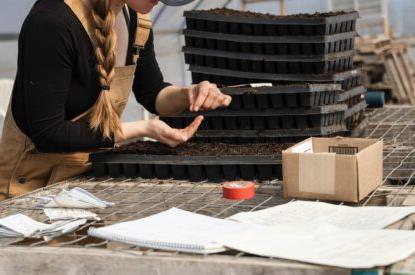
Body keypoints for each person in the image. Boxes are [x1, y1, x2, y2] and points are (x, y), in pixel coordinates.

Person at [0, 0, 232, 200]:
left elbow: (153, 95)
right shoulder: (53, 22)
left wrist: (187, 94)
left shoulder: (136, 19)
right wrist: (142, 128)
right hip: (27, 192)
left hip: (81, 187)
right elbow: (49, 134)